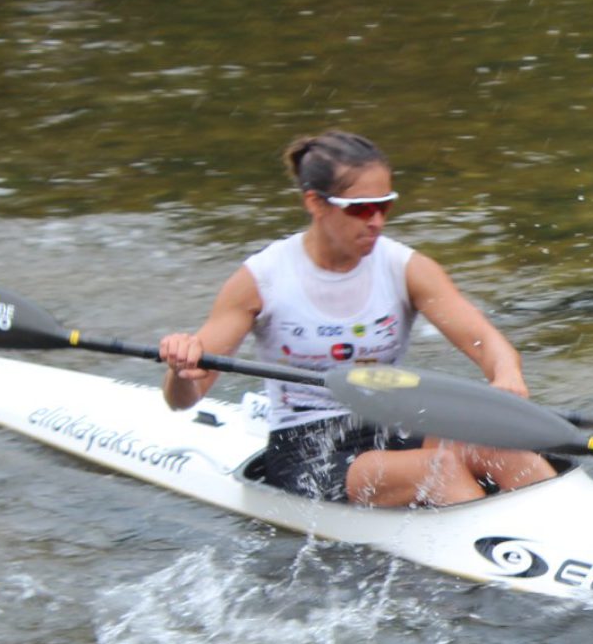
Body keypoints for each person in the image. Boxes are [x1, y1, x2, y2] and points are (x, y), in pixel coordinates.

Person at [159, 130, 556, 506]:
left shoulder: (406, 267)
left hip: (390, 427)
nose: (377, 222)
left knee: (504, 449)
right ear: (315, 203)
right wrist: (181, 370)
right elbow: (183, 400)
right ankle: (495, 564)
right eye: (361, 209)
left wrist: (506, 376)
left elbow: (486, 341)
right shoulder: (261, 279)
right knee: (439, 469)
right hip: (307, 449)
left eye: (385, 205)